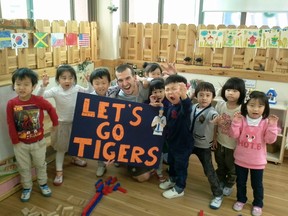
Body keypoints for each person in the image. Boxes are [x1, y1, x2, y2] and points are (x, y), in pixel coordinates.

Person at [6, 68, 58, 202]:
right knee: (23, 167)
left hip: (38, 142)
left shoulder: (38, 100)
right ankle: (27, 187)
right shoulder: (11, 103)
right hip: (20, 144)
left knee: (41, 165)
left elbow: (50, 109)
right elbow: (10, 122)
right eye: (18, 84)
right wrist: (15, 140)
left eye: (26, 84)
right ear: (14, 85)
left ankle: (43, 183)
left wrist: (55, 124)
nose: (21, 88)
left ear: (33, 86)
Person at [36, 64, 93, 186]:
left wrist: (89, 82)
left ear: (74, 79)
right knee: (61, 149)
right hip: (61, 124)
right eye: (64, 78)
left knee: (75, 143)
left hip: (76, 122)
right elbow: (38, 97)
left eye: (70, 77)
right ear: (58, 80)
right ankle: (59, 172)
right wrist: (43, 86)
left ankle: (75, 158)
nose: (67, 80)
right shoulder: (55, 90)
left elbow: (89, 92)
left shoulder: (77, 88)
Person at [230, 91, 278, 216]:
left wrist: (273, 126)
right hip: (240, 159)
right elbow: (234, 135)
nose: (255, 109)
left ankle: (257, 204)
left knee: (257, 185)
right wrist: (235, 122)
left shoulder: (266, 122)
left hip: (258, 162)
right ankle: (241, 199)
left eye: (260, 106)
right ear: (246, 106)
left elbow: (269, 140)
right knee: (240, 182)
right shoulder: (241, 119)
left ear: (265, 107)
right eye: (252, 105)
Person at [107, 64, 153, 182]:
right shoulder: (113, 96)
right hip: (125, 137)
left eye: (128, 78)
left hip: (145, 138)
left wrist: (146, 79)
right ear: (117, 82)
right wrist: (105, 151)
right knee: (142, 177)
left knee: (145, 176)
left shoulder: (147, 89)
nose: (125, 83)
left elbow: (165, 83)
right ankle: (122, 158)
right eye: (120, 80)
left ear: (135, 77)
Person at [159, 74, 193, 199]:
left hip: (183, 145)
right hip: (172, 143)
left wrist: (184, 96)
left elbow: (187, 106)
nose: (169, 92)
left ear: (183, 90)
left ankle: (180, 188)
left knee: (180, 167)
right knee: (171, 163)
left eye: (174, 88)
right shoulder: (171, 105)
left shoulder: (184, 107)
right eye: (167, 89)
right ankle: (172, 179)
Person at [190, 82, 223, 209]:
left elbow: (215, 118)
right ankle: (175, 180)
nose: (204, 98)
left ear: (212, 97)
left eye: (208, 95)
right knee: (180, 161)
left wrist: (217, 121)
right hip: (189, 142)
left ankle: (218, 194)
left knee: (208, 170)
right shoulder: (193, 107)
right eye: (201, 95)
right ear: (196, 96)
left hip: (203, 146)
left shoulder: (212, 112)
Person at [212, 77, 246, 196]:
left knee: (232, 168)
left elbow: (245, 129)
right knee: (220, 164)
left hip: (234, 146)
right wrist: (215, 138)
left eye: (235, 91)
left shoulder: (243, 109)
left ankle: (229, 184)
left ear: (241, 93)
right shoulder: (220, 105)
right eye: (228, 90)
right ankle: (220, 180)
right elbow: (215, 123)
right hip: (220, 142)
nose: (230, 93)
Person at [89, 67, 113, 177]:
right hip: (98, 127)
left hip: (113, 125)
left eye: (104, 83)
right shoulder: (90, 98)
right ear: (92, 85)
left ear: (109, 83)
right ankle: (100, 164)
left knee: (114, 143)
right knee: (99, 144)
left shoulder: (114, 92)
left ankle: (116, 159)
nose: (101, 86)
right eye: (97, 83)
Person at [147, 77, 171, 182]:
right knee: (151, 152)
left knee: (161, 154)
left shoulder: (168, 103)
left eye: (161, 91)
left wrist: (161, 107)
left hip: (163, 136)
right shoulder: (148, 101)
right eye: (155, 91)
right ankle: (152, 168)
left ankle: (159, 171)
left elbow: (168, 116)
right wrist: (150, 106)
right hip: (151, 135)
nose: (158, 94)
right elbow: (144, 114)